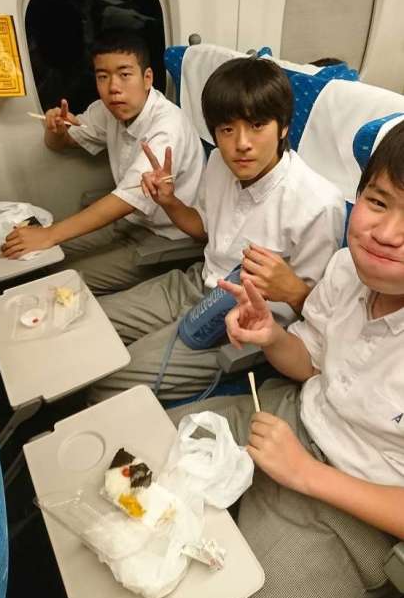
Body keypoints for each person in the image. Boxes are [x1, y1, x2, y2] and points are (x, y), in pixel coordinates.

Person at [167, 121, 404, 598]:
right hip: (291, 417)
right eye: (378, 201)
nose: (385, 234)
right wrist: (272, 337)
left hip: (358, 508)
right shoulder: (345, 269)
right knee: (151, 447)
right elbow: (313, 362)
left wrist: (304, 473)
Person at [89, 56, 345, 403]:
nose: (241, 144)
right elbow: (204, 229)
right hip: (197, 282)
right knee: (91, 326)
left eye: (257, 125)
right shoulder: (219, 164)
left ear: (283, 127)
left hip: (239, 320)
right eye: (227, 130)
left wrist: (292, 290)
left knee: (111, 383)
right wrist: (170, 202)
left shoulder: (318, 204)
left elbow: (317, 317)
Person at [0, 31, 205, 294]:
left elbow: (126, 200)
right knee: (39, 259)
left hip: (166, 236)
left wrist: (49, 234)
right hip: (131, 222)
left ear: (147, 78)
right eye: (103, 77)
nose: (113, 87)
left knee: (60, 280)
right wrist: (56, 131)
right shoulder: (108, 111)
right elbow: (61, 144)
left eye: (124, 74)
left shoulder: (167, 127)